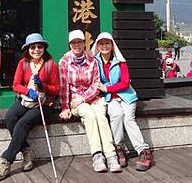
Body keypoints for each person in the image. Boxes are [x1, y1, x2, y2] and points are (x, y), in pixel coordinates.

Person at [0, 33, 60, 181]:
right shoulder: (23, 63)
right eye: (33, 47)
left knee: (22, 124)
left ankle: (6, 161)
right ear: (27, 49)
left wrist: (43, 86)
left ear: (44, 48)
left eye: (39, 47)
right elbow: (16, 85)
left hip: (44, 104)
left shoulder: (50, 64)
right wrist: (28, 91)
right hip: (26, 99)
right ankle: (26, 150)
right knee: (10, 117)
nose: (36, 50)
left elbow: (56, 89)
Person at [59, 30, 121, 173]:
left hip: (93, 98)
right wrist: (64, 107)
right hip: (75, 101)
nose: (77, 45)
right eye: (73, 42)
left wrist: (84, 98)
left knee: (100, 116)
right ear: (69, 44)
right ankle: (97, 155)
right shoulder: (64, 62)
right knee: (90, 116)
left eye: (79, 42)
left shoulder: (92, 61)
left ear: (84, 43)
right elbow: (64, 86)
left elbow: (96, 84)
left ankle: (111, 156)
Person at [93, 32, 154, 171]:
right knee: (116, 115)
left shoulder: (120, 61)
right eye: (101, 43)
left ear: (112, 45)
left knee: (128, 119)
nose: (104, 46)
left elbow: (125, 83)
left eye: (107, 43)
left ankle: (143, 151)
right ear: (97, 45)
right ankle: (118, 147)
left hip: (126, 96)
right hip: (110, 98)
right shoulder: (94, 62)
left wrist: (107, 88)